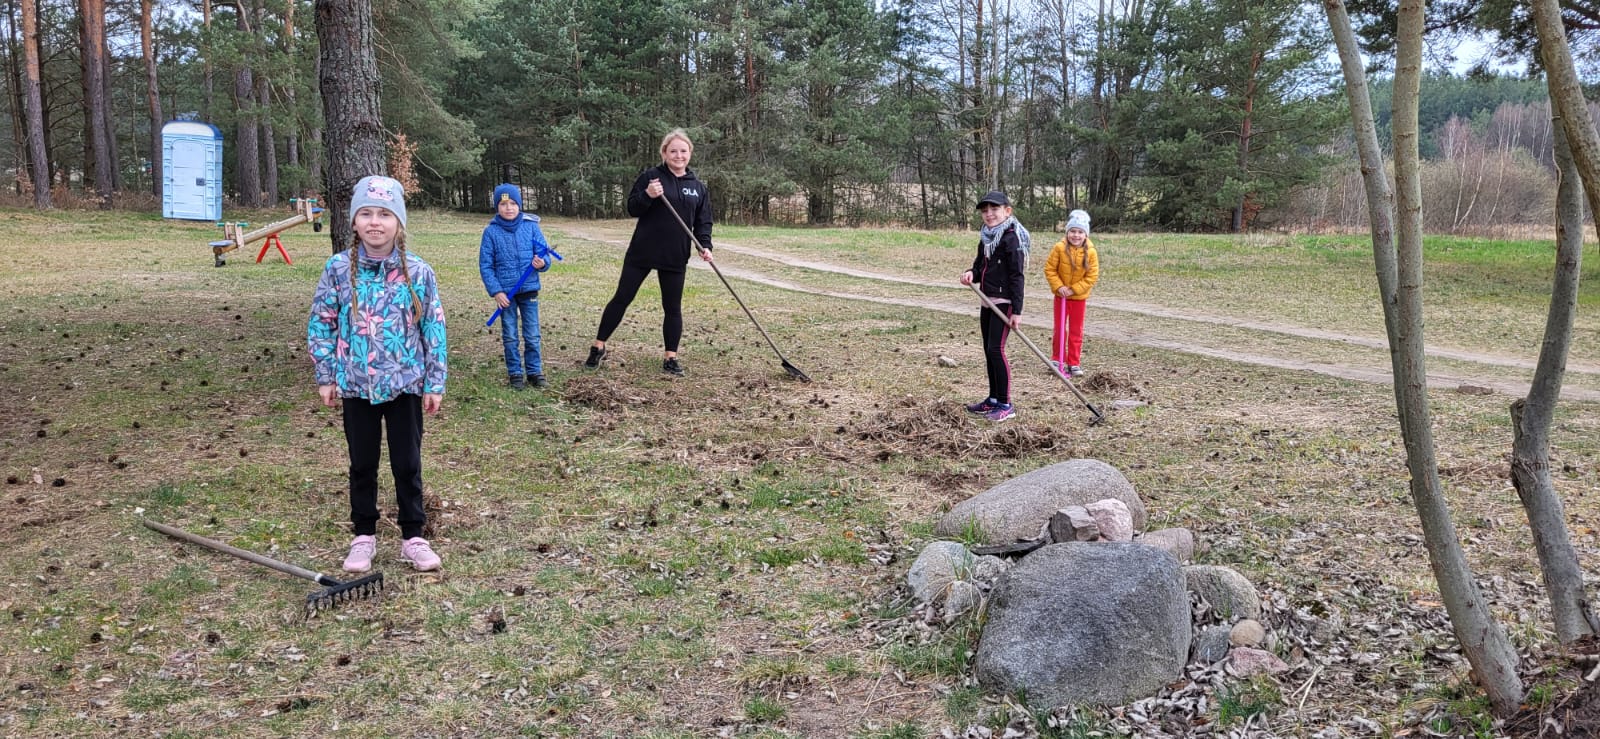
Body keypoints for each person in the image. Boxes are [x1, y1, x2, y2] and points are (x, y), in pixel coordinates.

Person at [306, 175, 449, 573]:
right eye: (365, 213)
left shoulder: (418, 272)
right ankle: (363, 535)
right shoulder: (337, 269)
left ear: (398, 223)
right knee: (362, 462)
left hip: (405, 384)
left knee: (407, 461)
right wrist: (326, 374)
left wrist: (434, 381)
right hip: (355, 385)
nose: (374, 222)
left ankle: (413, 535)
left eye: (384, 214)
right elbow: (322, 322)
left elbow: (433, 328)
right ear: (353, 222)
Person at [585, 128, 713, 377]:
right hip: (643, 251)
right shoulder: (651, 177)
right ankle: (598, 346)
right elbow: (633, 207)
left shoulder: (698, 187)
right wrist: (648, 195)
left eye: (683, 151)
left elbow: (703, 220)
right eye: (673, 151)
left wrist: (704, 245)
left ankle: (670, 357)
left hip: (675, 255)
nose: (678, 155)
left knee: (672, 307)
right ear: (664, 153)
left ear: (690, 153)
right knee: (622, 297)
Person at [960, 190, 1030, 422]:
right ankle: (992, 400)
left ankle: (1006, 404)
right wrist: (972, 273)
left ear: (1007, 211)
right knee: (988, 350)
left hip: (1005, 303)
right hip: (987, 300)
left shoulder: (1012, 238)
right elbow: (980, 266)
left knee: (995, 350)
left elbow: (1017, 276)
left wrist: (1017, 311)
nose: (989, 214)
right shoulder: (986, 236)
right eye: (985, 210)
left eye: (994, 209)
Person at [480, 183, 554, 389]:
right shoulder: (491, 233)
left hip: (528, 288)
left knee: (532, 333)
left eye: (513, 203)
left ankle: (534, 371)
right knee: (510, 334)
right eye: (503, 204)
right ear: (497, 207)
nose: (509, 208)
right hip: (506, 294)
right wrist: (496, 291)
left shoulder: (531, 227)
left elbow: (544, 254)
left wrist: (543, 263)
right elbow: (486, 265)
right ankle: (515, 373)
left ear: (519, 205)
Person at [1043, 209, 1100, 378]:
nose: (1076, 235)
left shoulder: (1091, 252)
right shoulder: (1059, 248)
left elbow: (1092, 276)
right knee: (1060, 329)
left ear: (1086, 234)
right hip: (1061, 297)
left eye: (1080, 232)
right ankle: (1057, 359)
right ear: (1067, 232)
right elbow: (1050, 269)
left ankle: (1073, 362)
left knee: (1076, 331)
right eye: (1073, 231)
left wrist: (1074, 289)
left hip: (1078, 298)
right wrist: (1059, 287)